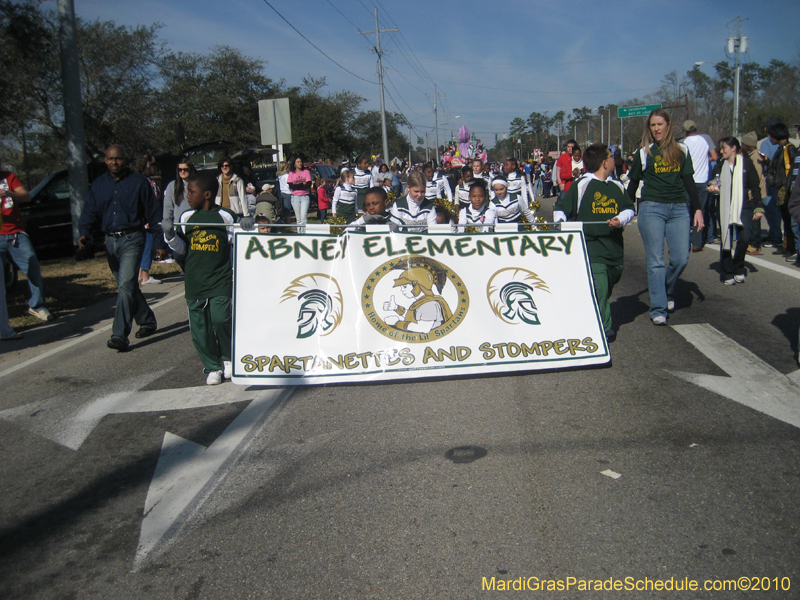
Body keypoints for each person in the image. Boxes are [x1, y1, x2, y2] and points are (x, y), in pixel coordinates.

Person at [78, 145, 160, 351]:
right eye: (110, 159)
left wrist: (159, 243)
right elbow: (89, 211)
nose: (114, 163)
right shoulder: (99, 185)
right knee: (127, 285)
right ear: (105, 160)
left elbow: (153, 214)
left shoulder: (139, 183)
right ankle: (147, 320)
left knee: (125, 285)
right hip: (110, 242)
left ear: (125, 160)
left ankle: (120, 335)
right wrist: (84, 232)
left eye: (118, 159)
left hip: (132, 238)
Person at [626, 109, 703, 325]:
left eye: (660, 124)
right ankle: (658, 308)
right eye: (653, 125)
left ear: (668, 125)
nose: (656, 129)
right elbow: (633, 185)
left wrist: (697, 208)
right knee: (656, 261)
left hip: (679, 209)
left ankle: (665, 289)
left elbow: (689, 180)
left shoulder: (682, 150)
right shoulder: (644, 153)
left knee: (680, 259)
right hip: (651, 208)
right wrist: (623, 212)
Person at [554, 144, 635, 341]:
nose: (614, 160)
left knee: (607, 286)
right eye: (611, 157)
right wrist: (560, 224)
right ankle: (603, 328)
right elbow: (562, 208)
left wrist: (620, 219)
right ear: (604, 162)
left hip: (614, 250)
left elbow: (629, 209)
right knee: (599, 287)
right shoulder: (582, 184)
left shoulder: (616, 186)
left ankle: (592, 311)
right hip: (592, 247)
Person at [163, 171, 237, 385]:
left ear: (206, 194)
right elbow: (182, 249)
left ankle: (227, 358)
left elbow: (235, 245)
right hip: (196, 281)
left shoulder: (226, 217)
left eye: (191, 192)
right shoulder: (187, 218)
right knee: (200, 327)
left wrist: (247, 225)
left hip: (220, 279)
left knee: (221, 318)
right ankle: (212, 366)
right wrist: (170, 236)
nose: (187, 196)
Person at [708, 136, 763, 285]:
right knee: (726, 238)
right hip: (724, 206)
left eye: (724, 147)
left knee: (744, 238)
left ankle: (738, 266)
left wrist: (758, 206)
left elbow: (755, 186)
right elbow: (714, 184)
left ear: (733, 148)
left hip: (743, 206)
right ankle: (726, 271)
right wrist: (713, 188)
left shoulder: (746, 165)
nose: (721, 151)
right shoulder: (720, 166)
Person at [0, 168, 53, 322]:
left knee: (31, 264)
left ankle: (37, 305)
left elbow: (26, 196)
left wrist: (9, 193)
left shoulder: (8, 176)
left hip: (15, 233)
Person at [681, 120, 717, 252]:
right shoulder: (706, 138)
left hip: (687, 181)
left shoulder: (683, 143)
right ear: (696, 128)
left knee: (686, 212)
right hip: (702, 180)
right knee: (700, 211)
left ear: (684, 132)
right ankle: (697, 242)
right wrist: (704, 160)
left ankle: (684, 242)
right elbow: (714, 156)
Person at [162, 157, 196, 265]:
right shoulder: (172, 186)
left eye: (185, 169)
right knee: (179, 256)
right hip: (179, 229)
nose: (182, 172)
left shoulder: (197, 184)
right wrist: (167, 223)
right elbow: (168, 207)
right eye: (180, 169)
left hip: (196, 227)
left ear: (190, 169)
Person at [741, 132, 768, 255]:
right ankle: (754, 243)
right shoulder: (755, 155)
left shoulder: (755, 157)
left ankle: (755, 244)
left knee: (755, 220)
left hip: (755, 192)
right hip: (755, 192)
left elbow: (755, 178)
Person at [287, 155, 312, 233]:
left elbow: (308, 184)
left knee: (304, 217)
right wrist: (302, 184)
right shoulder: (291, 173)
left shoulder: (306, 172)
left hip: (304, 196)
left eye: (300, 161)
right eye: (298, 162)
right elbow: (291, 186)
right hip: (295, 197)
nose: (300, 163)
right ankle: (299, 233)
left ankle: (305, 233)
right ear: (294, 164)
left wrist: (298, 185)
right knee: (299, 219)